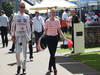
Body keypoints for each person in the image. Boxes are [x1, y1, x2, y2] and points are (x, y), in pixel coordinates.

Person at [39, 8, 66, 75]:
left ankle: (49, 66)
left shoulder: (57, 21)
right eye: (52, 12)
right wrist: (41, 37)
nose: (53, 13)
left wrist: (63, 36)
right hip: (49, 38)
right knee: (52, 54)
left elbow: (59, 30)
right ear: (50, 13)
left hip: (55, 38)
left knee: (52, 54)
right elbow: (45, 31)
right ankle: (54, 68)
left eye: (54, 12)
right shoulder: (47, 21)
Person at [11, 2, 31, 75]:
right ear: (19, 7)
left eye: (23, 7)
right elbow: (13, 26)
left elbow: (29, 28)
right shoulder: (15, 16)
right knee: (17, 53)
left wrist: (29, 38)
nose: (22, 8)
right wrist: (12, 36)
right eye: (21, 7)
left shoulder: (27, 16)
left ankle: (24, 68)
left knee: (25, 53)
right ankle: (19, 65)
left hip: (24, 35)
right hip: (17, 35)